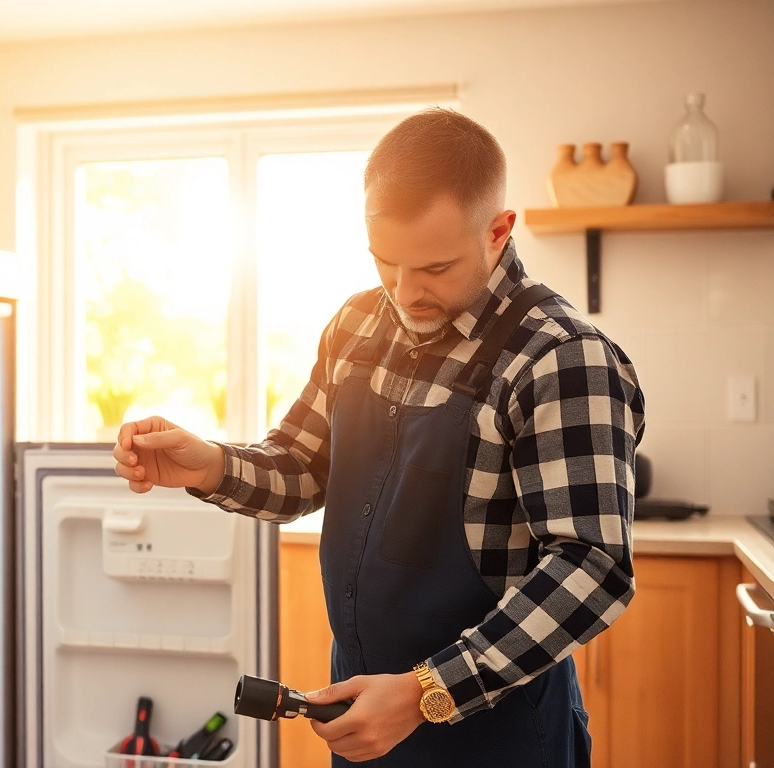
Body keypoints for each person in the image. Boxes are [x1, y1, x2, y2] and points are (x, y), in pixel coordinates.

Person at [111, 108, 644, 766]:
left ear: (499, 231)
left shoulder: (560, 357)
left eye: (435, 268)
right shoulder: (358, 324)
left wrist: (425, 693)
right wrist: (210, 467)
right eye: (386, 263)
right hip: (366, 721)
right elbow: (303, 468)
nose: (405, 293)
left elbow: (593, 567)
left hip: (498, 736)